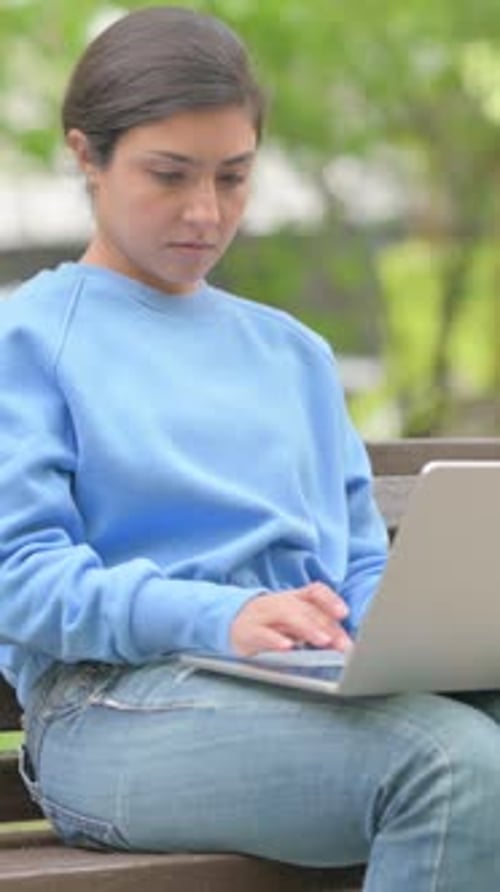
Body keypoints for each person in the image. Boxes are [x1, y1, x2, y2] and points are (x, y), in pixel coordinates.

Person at [0, 6, 499, 890]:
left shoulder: (292, 353)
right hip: (112, 708)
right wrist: (217, 618)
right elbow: (21, 579)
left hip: (310, 690)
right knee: (453, 765)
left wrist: (392, 638)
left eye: (234, 177)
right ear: (86, 155)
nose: (206, 212)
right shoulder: (29, 340)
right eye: (170, 175)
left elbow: (354, 559)